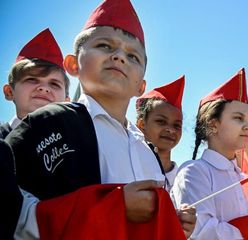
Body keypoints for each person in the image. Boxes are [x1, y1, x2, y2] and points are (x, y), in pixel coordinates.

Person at [6, 0, 192, 238]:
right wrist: (112, 208)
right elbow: (13, 212)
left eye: (133, 56)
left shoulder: (147, 150)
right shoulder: (46, 124)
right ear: (73, 64)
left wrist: (170, 220)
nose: (119, 57)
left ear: (141, 86)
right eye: (105, 45)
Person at [171, 68, 248, 239]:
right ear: (213, 124)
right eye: (238, 118)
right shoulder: (194, 171)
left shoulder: (245, 178)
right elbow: (202, 230)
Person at [1, 28, 70, 139]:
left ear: (67, 102)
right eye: (32, 79)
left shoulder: (78, 142)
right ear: (9, 92)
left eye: (54, 84)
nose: (44, 88)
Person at [136, 75, 185, 191]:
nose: (170, 130)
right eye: (161, 122)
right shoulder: (132, 167)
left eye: (177, 125)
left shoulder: (183, 178)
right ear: (142, 125)